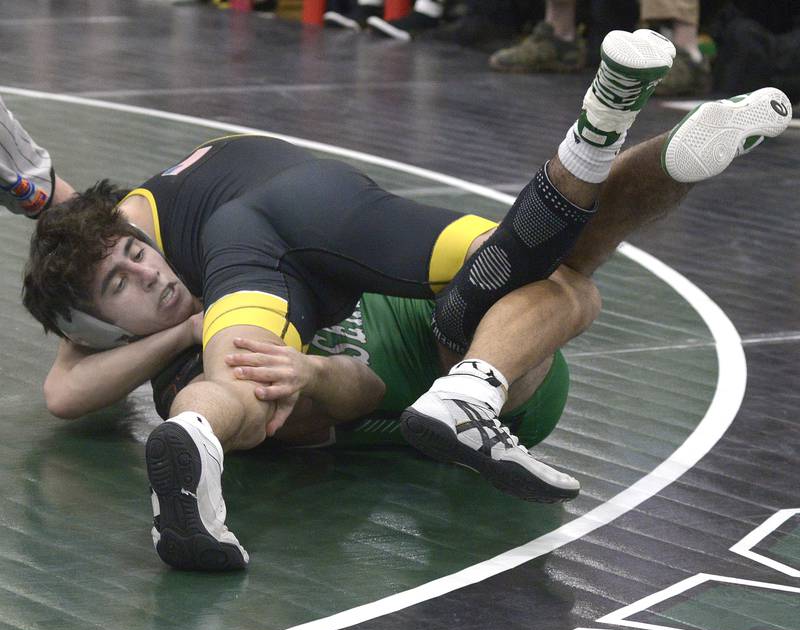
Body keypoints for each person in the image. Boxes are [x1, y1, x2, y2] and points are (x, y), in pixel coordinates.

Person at [20, 29, 792, 573]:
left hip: (417, 332)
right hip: (440, 333)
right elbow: (352, 391)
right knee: (556, 270)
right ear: (99, 331)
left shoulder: (170, 264)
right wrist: (299, 371)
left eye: (135, 257)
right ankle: (630, 142)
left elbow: (83, 271)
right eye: (121, 285)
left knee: (551, 278)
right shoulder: (174, 347)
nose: (147, 275)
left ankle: (466, 382)